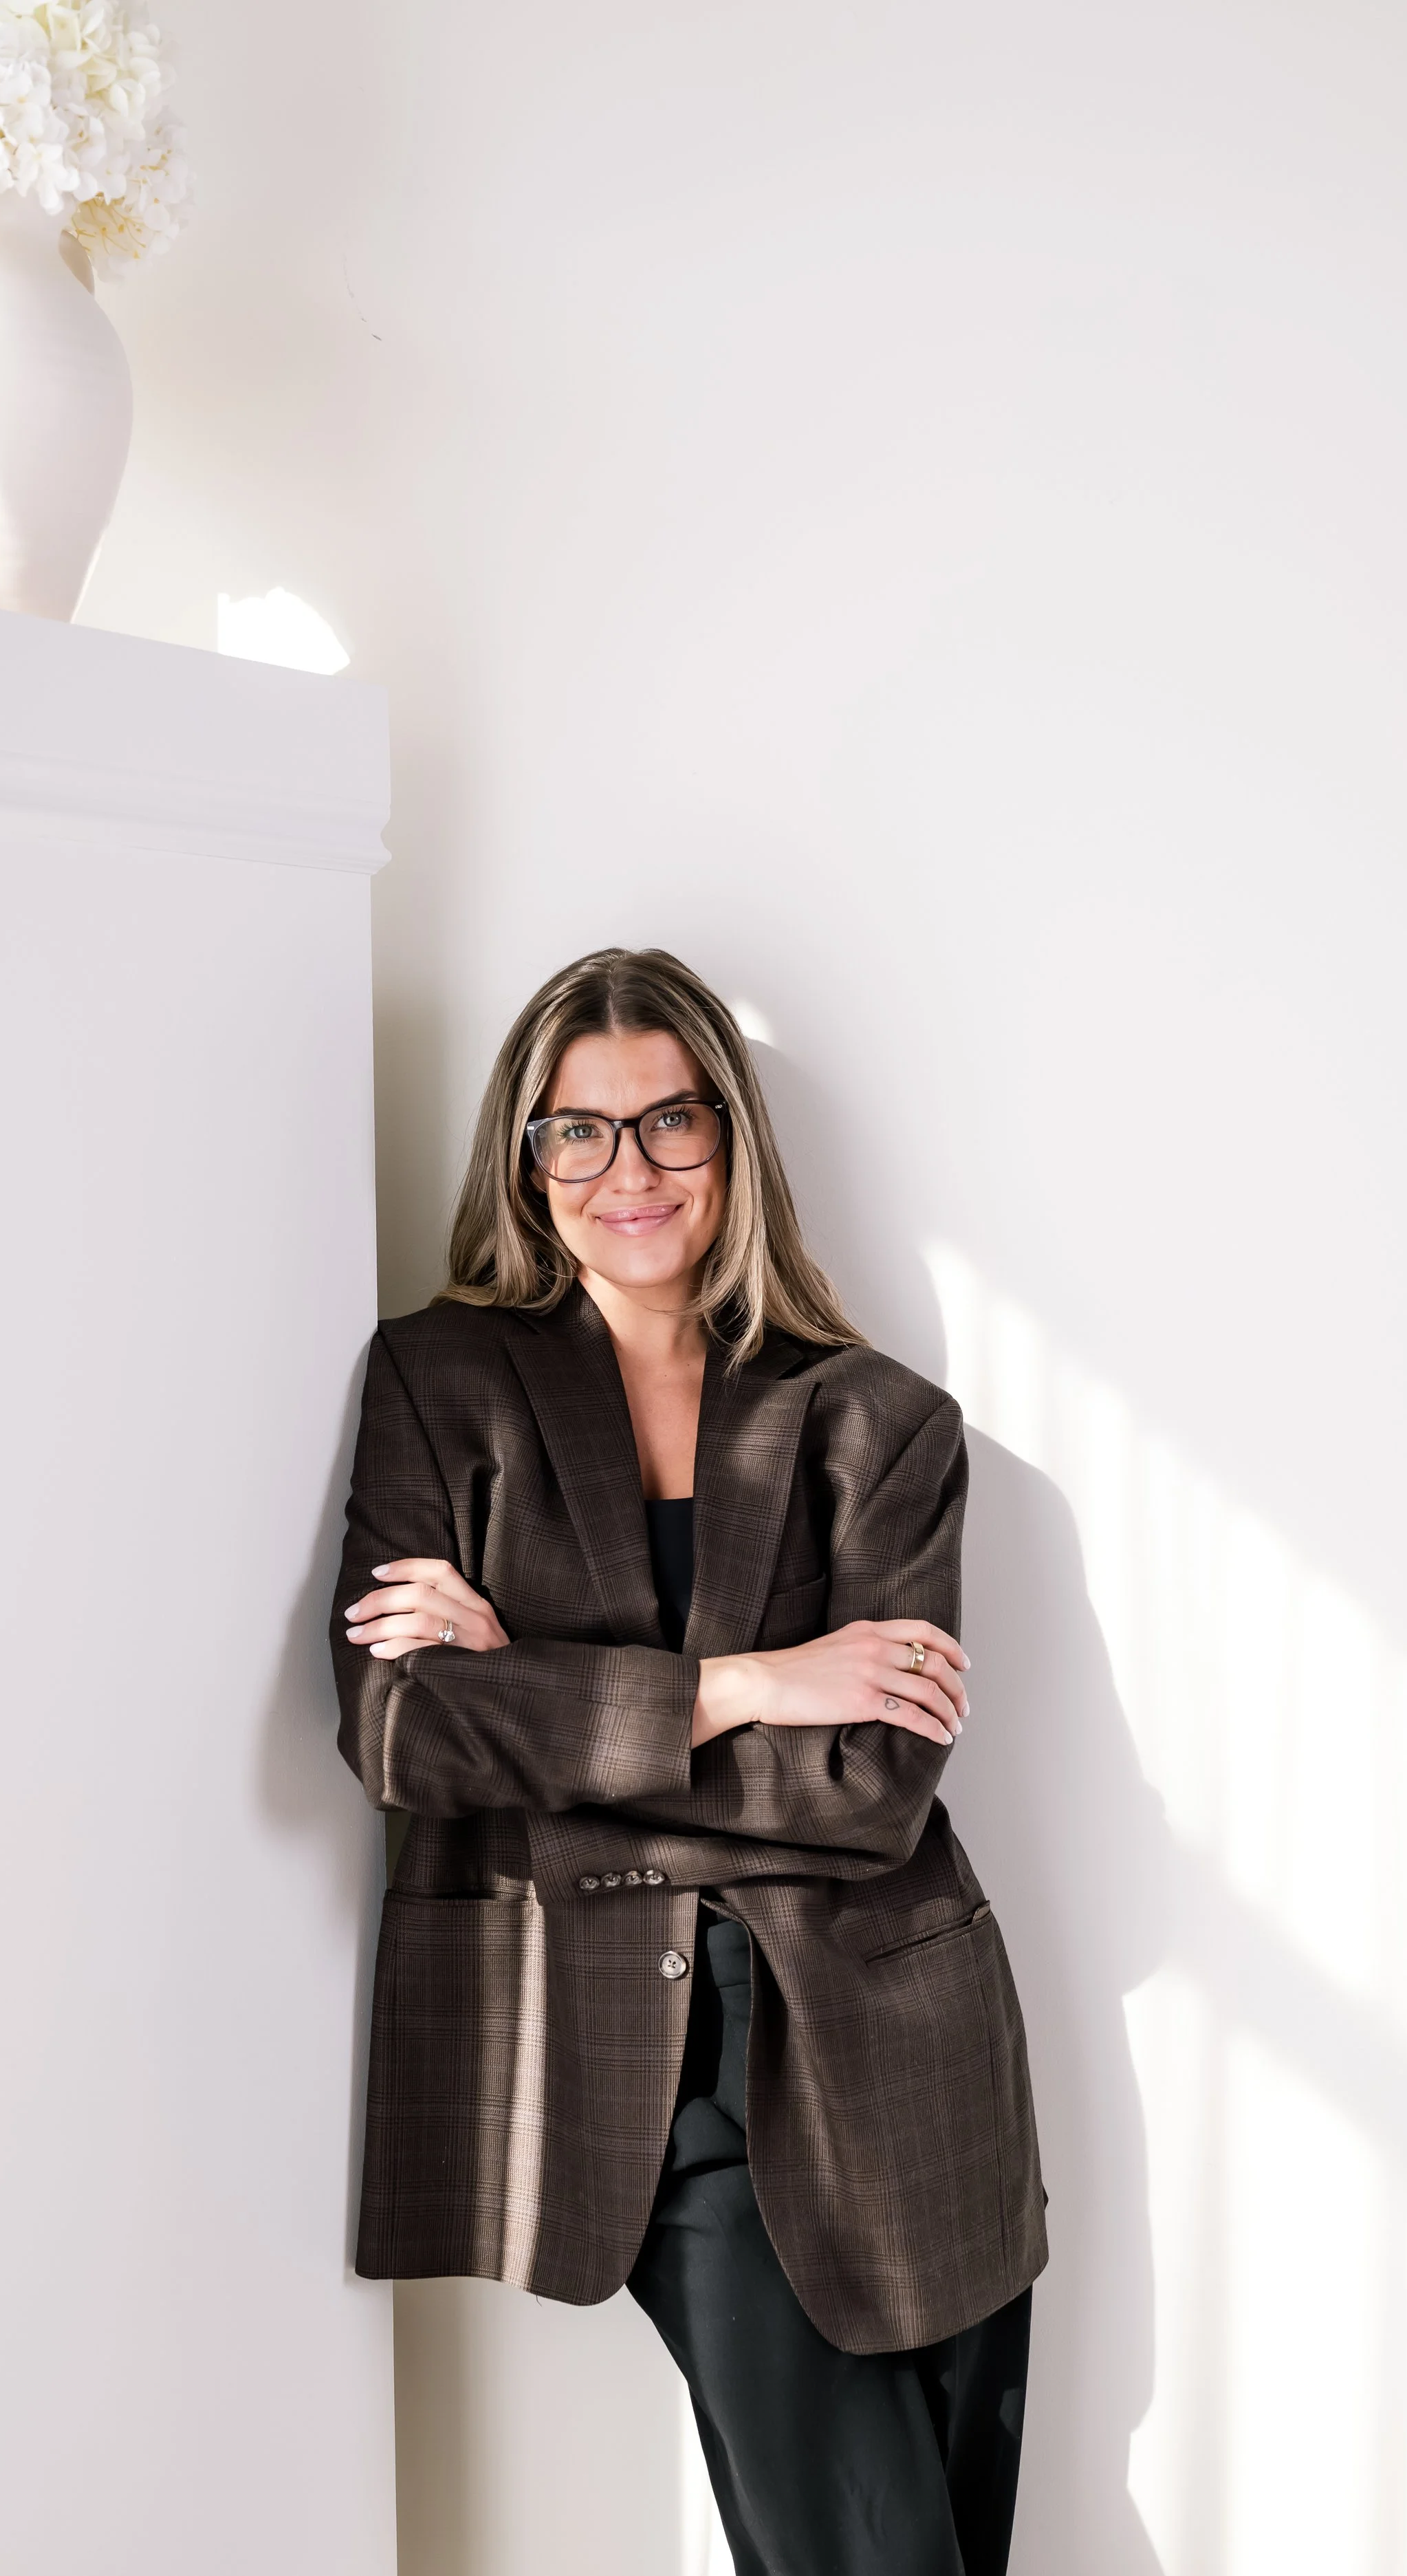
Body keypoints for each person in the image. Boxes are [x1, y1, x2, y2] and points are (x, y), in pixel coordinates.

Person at [331, 946, 1047, 2575]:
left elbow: (868, 1791)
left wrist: (525, 1684)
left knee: (940, 2544)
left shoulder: (878, 1424)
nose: (626, 1173)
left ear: (731, 1144)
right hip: (628, 2063)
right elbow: (395, 1730)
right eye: (576, 1133)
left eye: (669, 1125)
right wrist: (749, 1681)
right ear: (525, 1159)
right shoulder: (441, 1387)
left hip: (892, 2046)